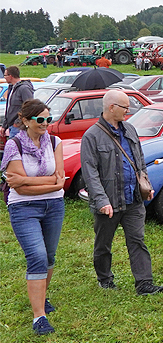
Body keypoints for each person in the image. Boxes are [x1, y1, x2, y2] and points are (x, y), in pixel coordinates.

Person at [80, 90, 163, 296]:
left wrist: (146, 184)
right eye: (125, 107)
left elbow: (139, 160)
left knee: (137, 241)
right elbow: (90, 173)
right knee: (103, 245)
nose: (128, 111)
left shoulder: (130, 130)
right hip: (108, 202)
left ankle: (144, 283)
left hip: (133, 200)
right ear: (111, 108)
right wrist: (101, 201)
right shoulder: (91, 136)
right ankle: (105, 278)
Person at [2, 99, 65, 335]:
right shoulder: (13, 145)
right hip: (24, 208)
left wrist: (27, 179)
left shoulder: (55, 142)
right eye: (40, 120)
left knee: (48, 256)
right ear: (26, 121)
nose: (45, 124)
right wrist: (51, 183)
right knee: (37, 256)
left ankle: (43, 297)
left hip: (54, 206)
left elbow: (59, 180)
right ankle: (39, 317)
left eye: (49, 119)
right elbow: (19, 189)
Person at [4, 66, 35, 138]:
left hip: (18, 128)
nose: (4, 77)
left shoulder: (24, 88)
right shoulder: (11, 88)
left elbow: (29, 107)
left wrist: (18, 122)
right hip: (11, 127)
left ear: (10, 76)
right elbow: (9, 108)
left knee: (17, 148)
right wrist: (4, 126)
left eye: (5, 75)